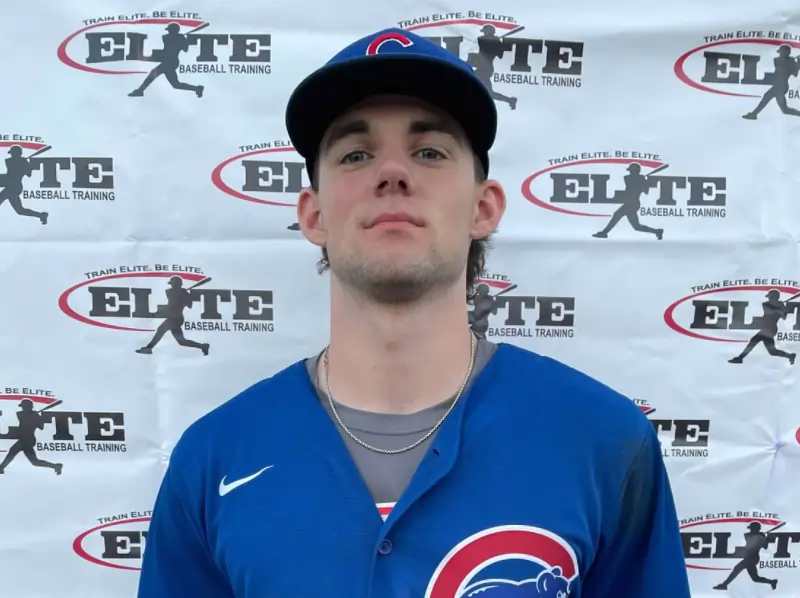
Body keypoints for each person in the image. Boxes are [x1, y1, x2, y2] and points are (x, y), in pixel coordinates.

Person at [137, 27, 692, 598]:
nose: (392, 172)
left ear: (483, 207)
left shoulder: (603, 439)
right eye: (356, 154)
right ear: (313, 215)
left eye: (429, 152)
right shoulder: (215, 457)